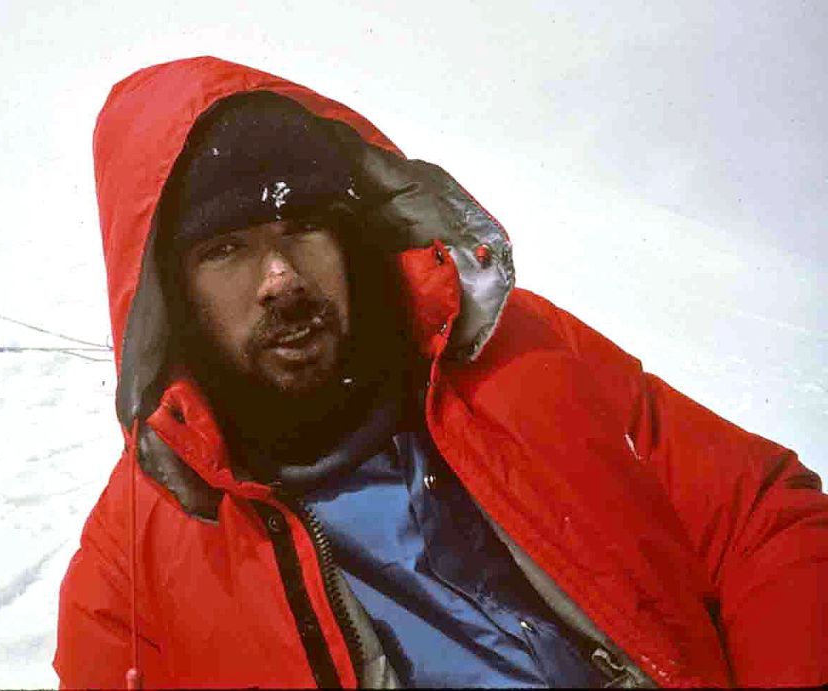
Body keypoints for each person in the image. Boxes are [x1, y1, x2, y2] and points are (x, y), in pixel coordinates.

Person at [53, 56, 828, 688]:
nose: (281, 277)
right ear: (172, 294)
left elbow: (761, 516)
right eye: (226, 249)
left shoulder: (514, 352)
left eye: (303, 227)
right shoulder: (135, 559)